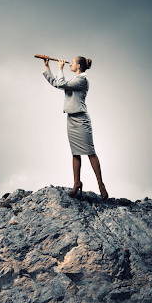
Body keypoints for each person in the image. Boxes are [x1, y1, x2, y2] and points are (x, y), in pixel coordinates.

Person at [42, 56, 108, 200]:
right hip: (71, 119)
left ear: (78, 66)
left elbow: (61, 83)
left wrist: (60, 69)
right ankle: (76, 183)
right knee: (75, 153)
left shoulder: (82, 80)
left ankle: (101, 185)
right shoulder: (73, 80)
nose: (69, 64)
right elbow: (57, 84)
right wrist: (48, 67)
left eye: (72, 63)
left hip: (82, 120)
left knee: (90, 152)